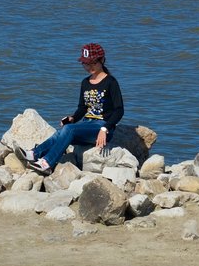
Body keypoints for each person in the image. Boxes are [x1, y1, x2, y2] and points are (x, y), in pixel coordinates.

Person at [14, 43, 124, 176]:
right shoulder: (85, 82)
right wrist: (72, 118)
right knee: (60, 132)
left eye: (93, 63)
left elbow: (119, 110)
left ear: (102, 60)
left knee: (68, 129)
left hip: (102, 128)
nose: (89, 67)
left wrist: (105, 128)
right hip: (87, 124)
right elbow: (82, 108)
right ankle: (34, 154)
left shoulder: (111, 82)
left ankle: (47, 163)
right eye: (86, 64)